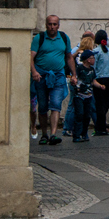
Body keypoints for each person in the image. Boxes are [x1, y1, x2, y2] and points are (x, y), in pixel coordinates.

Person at [30, 15, 76, 145]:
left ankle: (53, 134)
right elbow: (31, 57)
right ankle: (44, 134)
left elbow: (69, 57)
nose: (52, 27)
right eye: (50, 24)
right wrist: (34, 72)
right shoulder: (39, 38)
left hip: (58, 76)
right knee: (43, 106)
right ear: (46, 25)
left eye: (54, 24)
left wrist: (74, 75)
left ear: (58, 25)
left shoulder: (63, 38)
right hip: (41, 76)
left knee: (56, 104)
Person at [64, 33, 95, 137]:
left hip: (72, 80)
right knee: (78, 107)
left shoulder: (75, 53)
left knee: (72, 105)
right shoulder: (84, 56)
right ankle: (71, 129)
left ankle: (67, 128)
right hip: (81, 84)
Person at [73, 50, 105, 142]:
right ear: (88, 60)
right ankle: (77, 135)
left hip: (89, 95)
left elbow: (93, 81)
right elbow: (75, 78)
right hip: (79, 95)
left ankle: (84, 133)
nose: (94, 59)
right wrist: (75, 84)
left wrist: (100, 86)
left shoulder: (92, 70)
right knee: (79, 114)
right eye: (92, 58)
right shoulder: (80, 68)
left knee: (87, 115)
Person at [92, 30, 109, 135]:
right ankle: (100, 126)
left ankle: (100, 127)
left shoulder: (96, 52)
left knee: (100, 105)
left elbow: (93, 67)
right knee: (105, 104)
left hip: (99, 79)